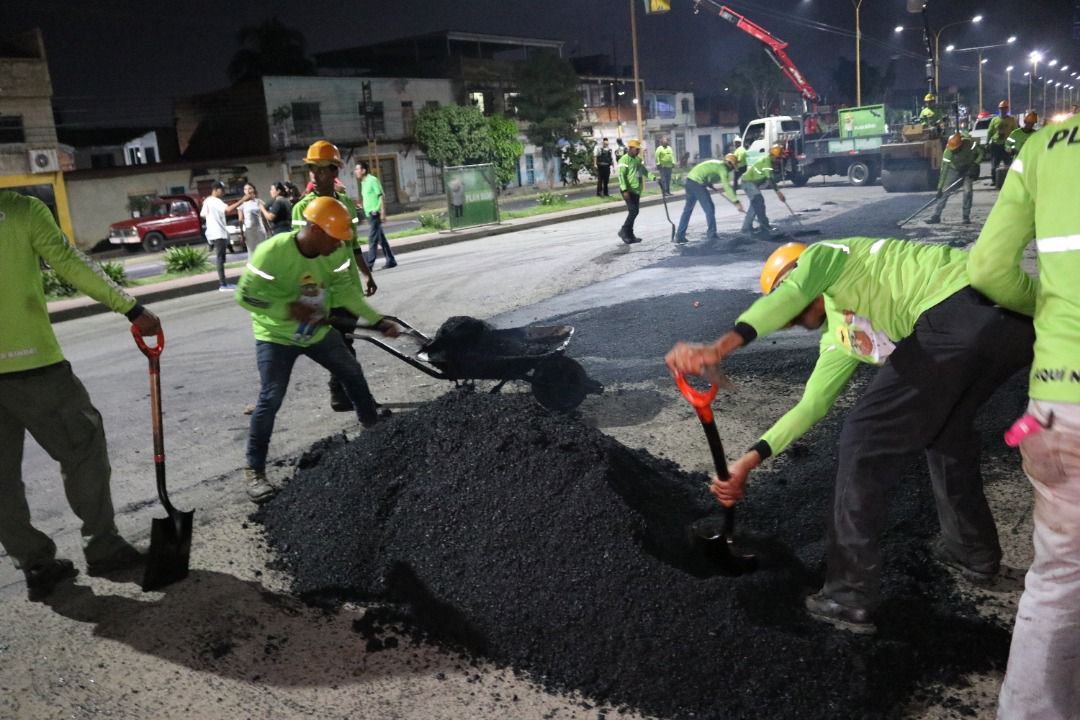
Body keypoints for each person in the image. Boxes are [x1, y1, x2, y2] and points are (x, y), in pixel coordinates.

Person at [666, 238, 1034, 635]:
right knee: (947, 437)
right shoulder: (842, 334)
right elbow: (811, 405)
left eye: (788, 307)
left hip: (965, 308)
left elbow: (792, 292)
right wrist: (747, 462)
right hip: (1009, 332)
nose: (788, 322)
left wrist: (720, 348)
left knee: (862, 441)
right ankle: (971, 554)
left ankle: (848, 595)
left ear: (798, 280)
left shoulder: (826, 256)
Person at [967, 111, 1080, 720]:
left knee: (1060, 577)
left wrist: (1051, 307)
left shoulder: (1044, 144)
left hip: (1058, 402)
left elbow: (985, 267)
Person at [0, 190, 162, 600]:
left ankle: (34, 563)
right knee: (83, 446)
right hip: (32, 365)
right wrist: (130, 307)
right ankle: (103, 547)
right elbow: (69, 262)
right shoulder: (20, 210)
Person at [236, 196, 399, 503]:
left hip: (316, 331)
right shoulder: (272, 252)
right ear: (314, 229)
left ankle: (374, 431)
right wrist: (287, 308)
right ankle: (254, 471)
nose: (339, 246)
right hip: (276, 336)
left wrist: (377, 321)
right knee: (270, 397)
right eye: (335, 239)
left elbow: (346, 292)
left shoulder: (334, 254)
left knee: (352, 372)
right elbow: (246, 296)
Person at [292, 140, 378, 413]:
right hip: (321, 291)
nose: (315, 176)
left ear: (334, 172)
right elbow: (297, 254)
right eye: (311, 170)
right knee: (341, 347)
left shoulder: (347, 207)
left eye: (321, 170)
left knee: (345, 343)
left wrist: (367, 275)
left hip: (348, 287)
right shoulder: (301, 209)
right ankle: (355, 399)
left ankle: (341, 395)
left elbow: (353, 246)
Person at [674, 155, 743, 244]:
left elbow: (706, 172)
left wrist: (708, 182)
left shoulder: (718, 165)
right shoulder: (723, 169)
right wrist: (736, 201)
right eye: (733, 167)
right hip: (697, 183)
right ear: (729, 164)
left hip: (690, 180)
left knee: (688, 210)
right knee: (709, 208)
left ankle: (679, 235)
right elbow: (727, 186)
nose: (732, 169)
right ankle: (712, 235)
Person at [200, 181, 251, 290]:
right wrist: (242, 200)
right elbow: (227, 209)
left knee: (221, 258)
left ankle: (223, 283)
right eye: (222, 190)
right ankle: (223, 284)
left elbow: (203, 214)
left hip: (213, 233)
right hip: (218, 233)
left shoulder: (207, 201)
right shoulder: (215, 201)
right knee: (220, 259)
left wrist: (213, 219)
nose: (223, 192)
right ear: (216, 190)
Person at [927, 133, 984, 225]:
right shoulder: (948, 152)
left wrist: (975, 164)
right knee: (945, 192)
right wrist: (940, 187)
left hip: (968, 169)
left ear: (960, 145)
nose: (954, 151)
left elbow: (981, 153)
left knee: (968, 191)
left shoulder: (969, 144)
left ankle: (966, 216)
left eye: (956, 149)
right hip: (953, 170)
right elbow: (944, 171)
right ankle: (936, 216)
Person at [355, 160, 397, 270]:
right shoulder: (363, 183)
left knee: (372, 239)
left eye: (357, 169)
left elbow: (381, 195)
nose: (356, 171)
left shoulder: (372, 180)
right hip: (369, 213)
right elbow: (369, 197)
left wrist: (382, 212)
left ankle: (369, 264)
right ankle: (391, 260)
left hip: (375, 213)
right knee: (380, 239)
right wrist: (362, 206)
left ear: (363, 170)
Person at [616, 139, 656, 245]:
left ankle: (630, 235)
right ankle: (623, 231)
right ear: (630, 148)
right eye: (636, 149)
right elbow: (621, 176)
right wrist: (624, 190)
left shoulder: (637, 160)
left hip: (636, 190)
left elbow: (644, 171)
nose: (638, 151)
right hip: (628, 191)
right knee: (633, 211)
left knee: (634, 212)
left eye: (639, 149)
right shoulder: (623, 160)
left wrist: (654, 178)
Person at [740, 145, 785, 237]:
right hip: (747, 182)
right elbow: (769, 179)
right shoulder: (767, 161)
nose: (779, 160)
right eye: (777, 158)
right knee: (758, 201)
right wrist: (778, 193)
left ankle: (747, 227)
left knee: (755, 204)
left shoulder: (770, 162)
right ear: (772, 155)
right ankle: (763, 226)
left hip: (751, 183)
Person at [986, 100, 1019, 184]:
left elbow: (1015, 132)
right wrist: (987, 142)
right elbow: (990, 131)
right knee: (994, 165)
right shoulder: (994, 120)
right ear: (999, 109)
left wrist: (1015, 143)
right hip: (996, 145)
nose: (1003, 110)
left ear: (1007, 109)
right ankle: (994, 180)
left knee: (1008, 164)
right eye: (1001, 108)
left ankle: (1009, 181)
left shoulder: (1011, 120)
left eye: (1004, 108)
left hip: (1006, 145)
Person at [239, 182, 268, 256]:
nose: (248, 191)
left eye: (250, 188)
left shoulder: (259, 201)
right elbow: (240, 220)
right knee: (252, 253)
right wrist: (242, 234)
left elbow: (264, 217)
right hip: (249, 231)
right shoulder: (242, 204)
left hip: (260, 229)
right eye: (245, 189)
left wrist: (269, 229)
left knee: (264, 250)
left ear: (253, 190)